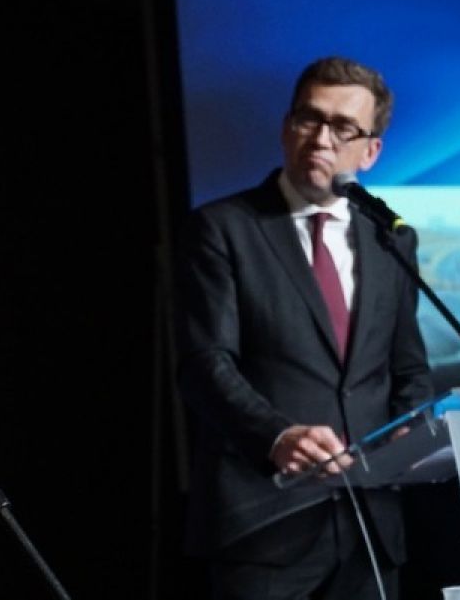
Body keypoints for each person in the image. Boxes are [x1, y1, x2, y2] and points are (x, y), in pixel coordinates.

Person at [176, 56, 434, 600]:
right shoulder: (222, 229)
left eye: (343, 128)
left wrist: (410, 431)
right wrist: (275, 436)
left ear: (371, 151)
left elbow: (407, 366)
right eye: (308, 118)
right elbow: (204, 363)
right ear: (286, 126)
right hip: (265, 523)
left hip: (370, 525)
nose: (320, 139)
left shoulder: (391, 239)